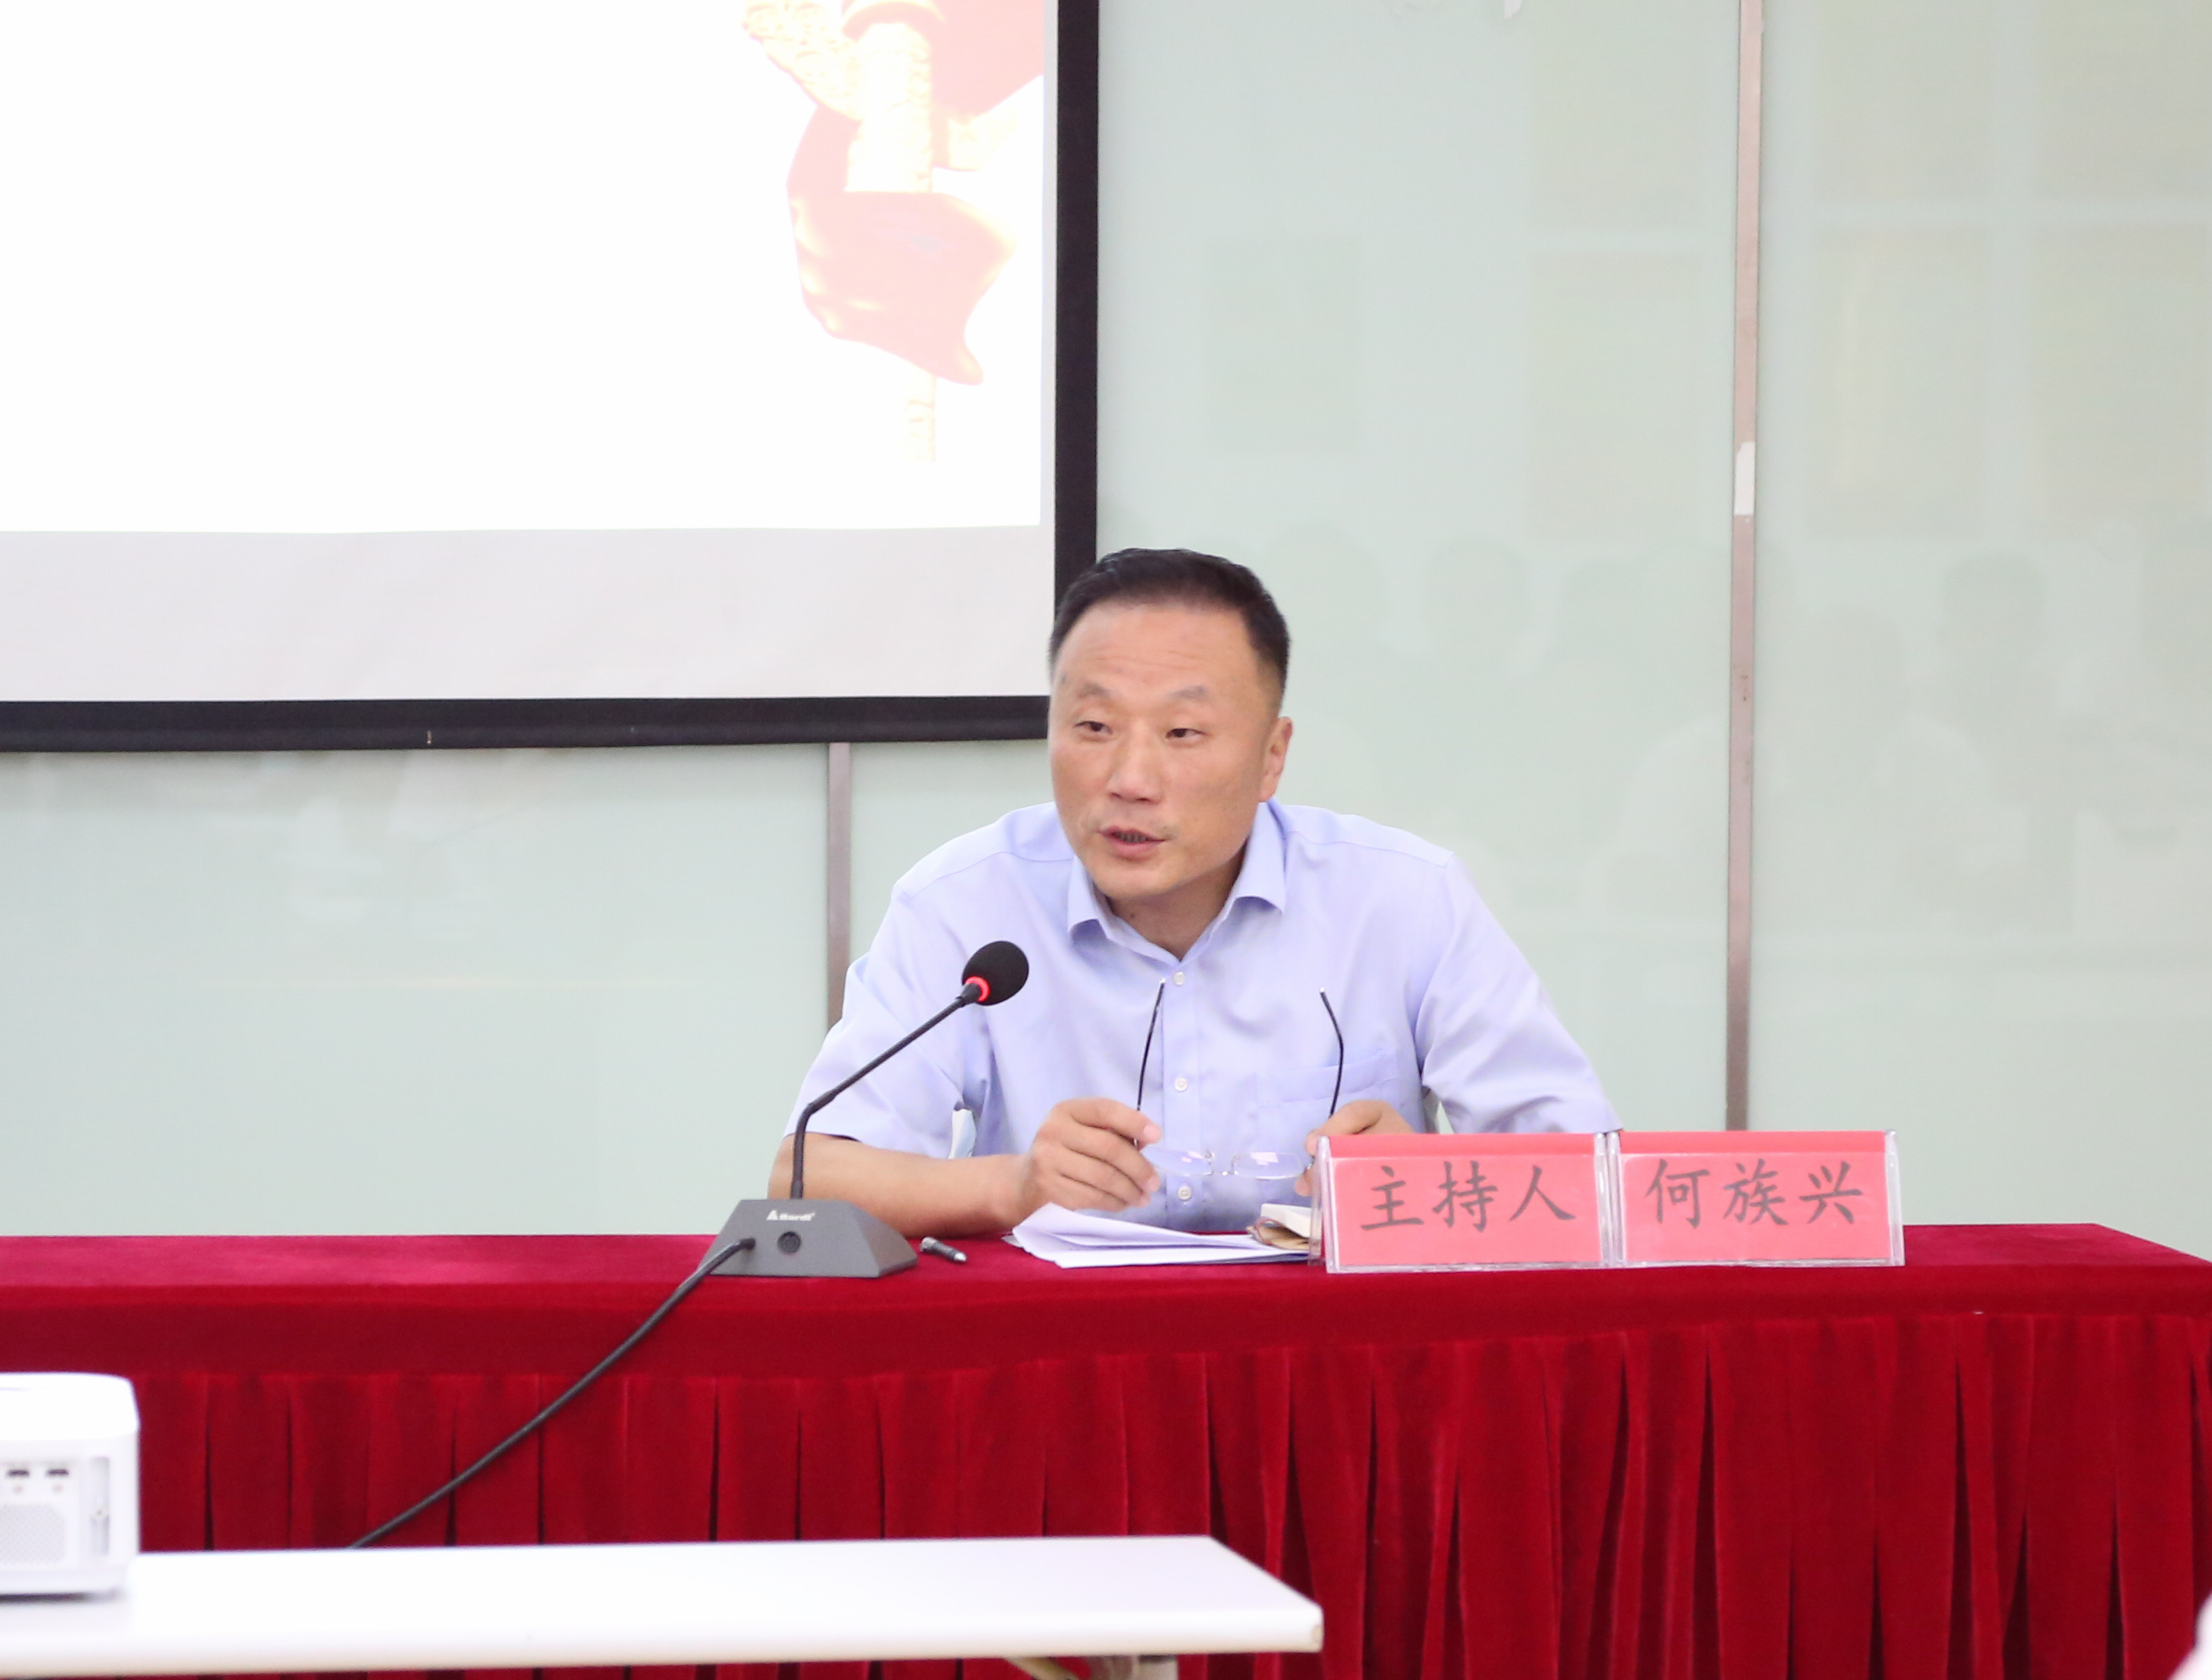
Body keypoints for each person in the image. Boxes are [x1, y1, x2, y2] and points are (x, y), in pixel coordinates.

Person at [769, 548, 1616, 1236]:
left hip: (1327, 1355)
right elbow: (808, 1176)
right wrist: (1014, 1184)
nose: (1130, 779)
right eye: (1093, 727)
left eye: (1182, 733)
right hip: (1069, 1354)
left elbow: (1593, 1173)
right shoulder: (963, 903)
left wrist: (1428, 1180)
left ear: (1272, 757)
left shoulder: (1402, 899)